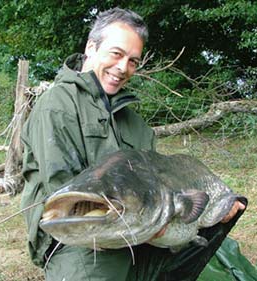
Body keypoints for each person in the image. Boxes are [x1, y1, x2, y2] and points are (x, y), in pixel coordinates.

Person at [21, 7, 246, 281]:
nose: (122, 68)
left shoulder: (135, 122)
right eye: (116, 54)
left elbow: (157, 183)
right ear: (91, 47)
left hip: (138, 228)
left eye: (133, 61)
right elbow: (62, 190)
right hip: (77, 242)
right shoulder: (56, 106)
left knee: (219, 219)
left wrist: (215, 210)